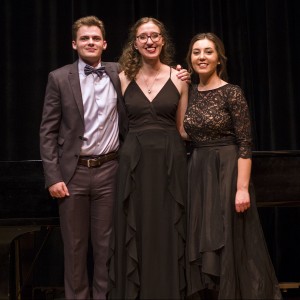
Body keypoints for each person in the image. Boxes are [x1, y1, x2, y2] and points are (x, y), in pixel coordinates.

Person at [40, 15, 189, 299]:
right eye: (85, 38)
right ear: (74, 44)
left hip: (111, 170)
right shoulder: (59, 78)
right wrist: (53, 176)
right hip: (73, 174)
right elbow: (47, 132)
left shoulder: (118, 72)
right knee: (74, 248)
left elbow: (153, 81)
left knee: (108, 247)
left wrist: (183, 75)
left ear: (105, 43)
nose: (91, 42)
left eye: (96, 38)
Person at [183, 32, 282, 299]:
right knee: (203, 232)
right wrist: (181, 89)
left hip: (227, 169)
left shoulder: (232, 92)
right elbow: (183, 132)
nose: (201, 57)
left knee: (229, 233)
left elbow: (245, 144)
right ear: (190, 58)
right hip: (198, 169)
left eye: (208, 52)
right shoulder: (189, 92)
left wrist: (241, 189)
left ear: (219, 59)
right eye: (196, 52)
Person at [107, 17, 189, 299]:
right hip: (134, 161)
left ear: (163, 41)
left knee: (168, 225)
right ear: (135, 43)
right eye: (143, 37)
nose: (150, 41)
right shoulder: (121, 77)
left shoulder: (179, 78)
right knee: (136, 224)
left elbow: (182, 129)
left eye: (155, 36)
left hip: (170, 159)